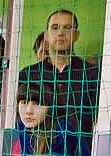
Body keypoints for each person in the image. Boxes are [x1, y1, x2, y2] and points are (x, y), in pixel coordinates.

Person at [18, 10, 100, 143]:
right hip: (36, 153)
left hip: (80, 153)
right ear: (46, 36)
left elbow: (98, 118)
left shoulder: (91, 73)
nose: (61, 33)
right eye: (55, 27)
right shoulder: (28, 74)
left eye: (68, 28)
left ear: (77, 35)